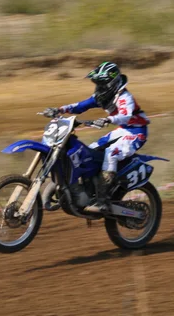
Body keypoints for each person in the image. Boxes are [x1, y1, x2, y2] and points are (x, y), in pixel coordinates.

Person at [43, 61, 150, 212]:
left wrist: (108, 119)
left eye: (101, 84)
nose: (98, 88)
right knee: (90, 151)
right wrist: (59, 109)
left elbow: (125, 116)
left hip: (136, 132)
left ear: (111, 83)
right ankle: (88, 188)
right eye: (97, 84)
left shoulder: (125, 97)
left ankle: (103, 199)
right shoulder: (103, 96)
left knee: (111, 154)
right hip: (122, 130)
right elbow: (80, 106)